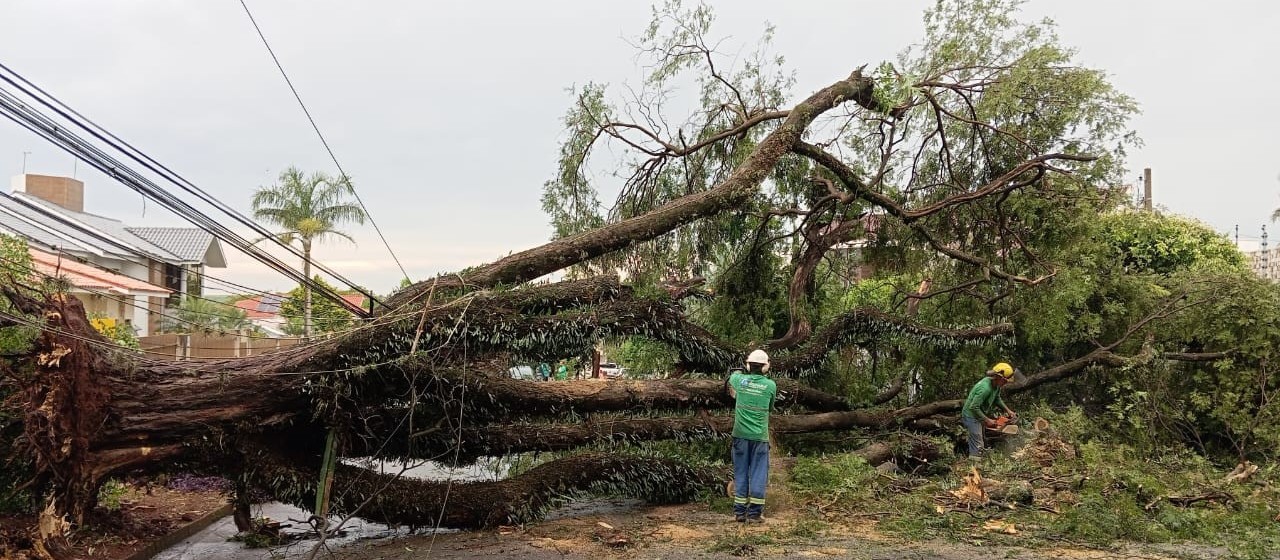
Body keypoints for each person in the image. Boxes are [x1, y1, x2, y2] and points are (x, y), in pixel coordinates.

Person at [726, 349, 777, 523]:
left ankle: (739, 513)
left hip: (740, 436)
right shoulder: (770, 386)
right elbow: (770, 408)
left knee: (740, 472)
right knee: (758, 474)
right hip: (760, 438)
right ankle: (755, 514)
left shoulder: (740, 380)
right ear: (765, 367)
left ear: (748, 365)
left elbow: (731, 378)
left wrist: (741, 372)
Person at [961, 362, 1018, 459]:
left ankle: (980, 460)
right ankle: (974, 467)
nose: (1005, 383)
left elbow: (997, 398)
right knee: (978, 443)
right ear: (999, 377)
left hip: (978, 414)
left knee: (982, 439)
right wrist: (987, 420)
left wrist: (1008, 411)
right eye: (1005, 381)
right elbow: (973, 407)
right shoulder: (985, 388)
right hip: (971, 416)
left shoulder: (996, 385)